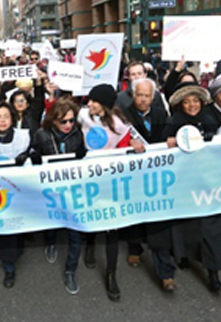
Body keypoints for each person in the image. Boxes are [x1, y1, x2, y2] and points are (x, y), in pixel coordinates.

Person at [162, 82, 221, 293]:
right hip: (183, 181)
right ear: (181, 104)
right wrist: (167, 142)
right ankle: (184, 255)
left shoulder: (210, 120)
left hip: (209, 181)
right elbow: (161, 148)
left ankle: (214, 274)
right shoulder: (172, 122)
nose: (192, 105)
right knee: (185, 223)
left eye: (195, 101)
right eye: (187, 101)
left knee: (212, 226)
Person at [79, 84, 141, 301]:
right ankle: (89, 244)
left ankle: (111, 274)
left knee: (111, 227)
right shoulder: (82, 116)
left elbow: (127, 148)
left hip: (110, 180)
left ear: (104, 103)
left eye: (94, 101)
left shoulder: (120, 124)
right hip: (87, 177)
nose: (89, 104)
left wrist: (135, 144)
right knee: (91, 215)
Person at [120, 78, 177, 292]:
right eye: (139, 95)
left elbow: (169, 137)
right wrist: (128, 143)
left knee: (157, 219)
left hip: (157, 174)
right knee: (135, 213)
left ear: (153, 97)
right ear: (133, 95)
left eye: (147, 96)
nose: (143, 99)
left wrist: (171, 140)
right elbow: (117, 139)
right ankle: (134, 248)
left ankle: (166, 273)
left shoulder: (162, 114)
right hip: (133, 174)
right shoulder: (122, 115)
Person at [30, 99, 87, 295]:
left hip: (73, 190)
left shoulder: (78, 134)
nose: (68, 125)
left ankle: (71, 270)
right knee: (52, 221)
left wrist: (83, 154)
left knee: (75, 231)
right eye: (63, 122)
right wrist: (35, 157)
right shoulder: (42, 134)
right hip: (51, 189)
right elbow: (33, 150)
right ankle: (51, 242)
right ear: (53, 120)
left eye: (71, 121)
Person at [0, 102, 29, 288]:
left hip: (19, 189)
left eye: (6, 116)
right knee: (4, 230)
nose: (2, 120)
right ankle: (9, 267)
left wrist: (28, 156)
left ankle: (17, 251)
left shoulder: (23, 137)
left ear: (12, 118)